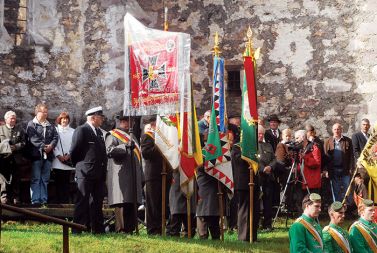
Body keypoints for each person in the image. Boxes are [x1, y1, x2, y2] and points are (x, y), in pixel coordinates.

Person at [70, 106, 107, 234]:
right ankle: (78, 229)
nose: (102, 119)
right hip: (85, 172)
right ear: (93, 118)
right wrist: (81, 166)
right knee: (82, 201)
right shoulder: (82, 130)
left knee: (97, 202)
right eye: (100, 117)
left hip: (98, 173)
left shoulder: (99, 133)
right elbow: (74, 151)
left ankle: (97, 229)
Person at [105, 115, 143, 233]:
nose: (127, 123)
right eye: (124, 121)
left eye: (129, 121)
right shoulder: (112, 134)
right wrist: (124, 146)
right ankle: (120, 229)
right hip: (120, 176)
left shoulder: (134, 138)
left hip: (133, 176)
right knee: (121, 203)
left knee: (132, 203)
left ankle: (130, 229)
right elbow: (109, 151)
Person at [140, 115, 170, 235]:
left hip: (165, 174)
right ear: (153, 125)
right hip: (153, 175)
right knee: (153, 204)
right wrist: (158, 145)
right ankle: (153, 230)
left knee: (162, 203)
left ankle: (160, 227)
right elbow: (146, 153)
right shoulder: (147, 137)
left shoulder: (161, 138)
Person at [26, 103, 59, 205]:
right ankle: (35, 200)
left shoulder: (50, 125)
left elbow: (55, 137)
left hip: (48, 157)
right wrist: (44, 147)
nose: (45, 114)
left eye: (46, 112)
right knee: (36, 178)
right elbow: (32, 138)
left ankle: (43, 200)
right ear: (37, 112)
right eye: (43, 112)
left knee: (45, 179)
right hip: (36, 156)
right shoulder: (31, 124)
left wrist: (51, 146)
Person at [324, 123, 354, 202]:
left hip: (345, 169)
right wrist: (326, 170)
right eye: (335, 129)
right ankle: (338, 207)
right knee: (335, 189)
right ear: (332, 130)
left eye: (338, 129)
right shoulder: (327, 141)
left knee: (347, 189)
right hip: (333, 170)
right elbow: (325, 157)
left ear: (341, 130)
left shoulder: (348, 141)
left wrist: (351, 168)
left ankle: (348, 207)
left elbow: (351, 156)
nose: (336, 131)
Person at [0, 111, 25, 204]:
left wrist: (16, 147)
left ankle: (16, 197)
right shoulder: (1, 129)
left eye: (14, 118)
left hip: (16, 158)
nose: (13, 120)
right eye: (11, 118)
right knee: (3, 179)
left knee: (16, 178)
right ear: (6, 119)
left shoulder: (20, 130)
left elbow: (24, 142)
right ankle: (4, 197)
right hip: (3, 159)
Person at [52, 112, 75, 204]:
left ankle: (65, 202)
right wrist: (58, 155)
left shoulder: (73, 131)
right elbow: (53, 144)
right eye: (62, 119)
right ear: (59, 120)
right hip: (57, 161)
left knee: (66, 183)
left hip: (68, 161)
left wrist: (68, 155)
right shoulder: (55, 130)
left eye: (66, 118)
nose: (64, 120)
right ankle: (58, 202)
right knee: (58, 183)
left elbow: (74, 145)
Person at [258, 126, 277, 231]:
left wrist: (270, 167)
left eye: (262, 134)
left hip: (269, 177)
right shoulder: (252, 146)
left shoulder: (268, 145)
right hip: (258, 177)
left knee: (268, 202)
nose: (261, 136)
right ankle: (255, 223)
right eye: (259, 134)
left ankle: (267, 224)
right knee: (256, 201)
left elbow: (274, 159)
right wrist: (262, 168)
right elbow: (254, 160)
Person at [167, 169, 196, 237]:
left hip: (190, 182)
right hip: (177, 183)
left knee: (190, 228)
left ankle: (187, 234)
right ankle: (173, 234)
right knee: (174, 227)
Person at [295, 130, 322, 194]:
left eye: (297, 138)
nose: (296, 140)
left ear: (303, 137)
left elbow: (317, 163)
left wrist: (305, 157)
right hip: (301, 180)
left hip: (311, 182)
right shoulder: (299, 149)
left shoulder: (314, 148)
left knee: (311, 202)